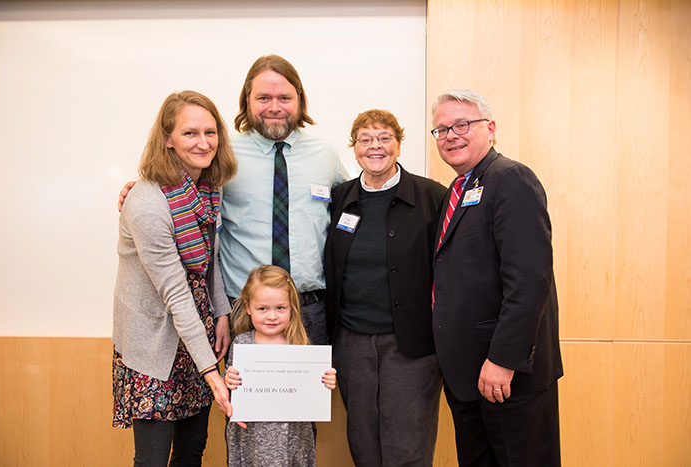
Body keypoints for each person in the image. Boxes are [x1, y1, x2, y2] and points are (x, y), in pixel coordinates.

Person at [119, 55, 348, 345]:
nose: (274, 107)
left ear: (300, 99)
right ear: (247, 100)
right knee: (242, 391)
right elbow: (182, 185)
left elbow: (354, 202)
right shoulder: (223, 154)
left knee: (311, 391)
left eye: (284, 97)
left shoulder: (325, 153)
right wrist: (144, 187)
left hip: (311, 308)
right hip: (243, 307)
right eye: (263, 97)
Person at [431, 89, 563, 467]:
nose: (451, 135)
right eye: (441, 129)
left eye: (461, 124)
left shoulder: (511, 179)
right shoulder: (457, 191)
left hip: (506, 375)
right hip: (469, 375)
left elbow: (529, 280)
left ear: (490, 129)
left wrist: (503, 360)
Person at [112, 90, 237, 466]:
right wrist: (212, 374)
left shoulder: (207, 191)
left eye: (210, 132)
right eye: (190, 133)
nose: (203, 143)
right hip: (154, 345)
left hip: (196, 337)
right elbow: (175, 294)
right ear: (167, 138)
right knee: (152, 460)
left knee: (191, 451)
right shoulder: (147, 202)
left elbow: (209, 260)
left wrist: (222, 313)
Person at [324, 109, 445, 466]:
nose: (375, 146)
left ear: (399, 144)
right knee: (363, 442)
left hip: (410, 345)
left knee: (407, 447)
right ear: (354, 148)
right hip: (352, 343)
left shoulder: (431, 197)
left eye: (384, 138)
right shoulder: (339, 198)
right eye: (365, 139)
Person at [224, 265, 337, 467]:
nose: (272, 316)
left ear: (292, 307)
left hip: (294, 437)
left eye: (280, 308)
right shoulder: (242, 344)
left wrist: (326, 380)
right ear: (248, 307)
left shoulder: (300, 344)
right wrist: (229, 379)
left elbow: (314, 388)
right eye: (262, 309)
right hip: (253, 437)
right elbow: (230, 387)